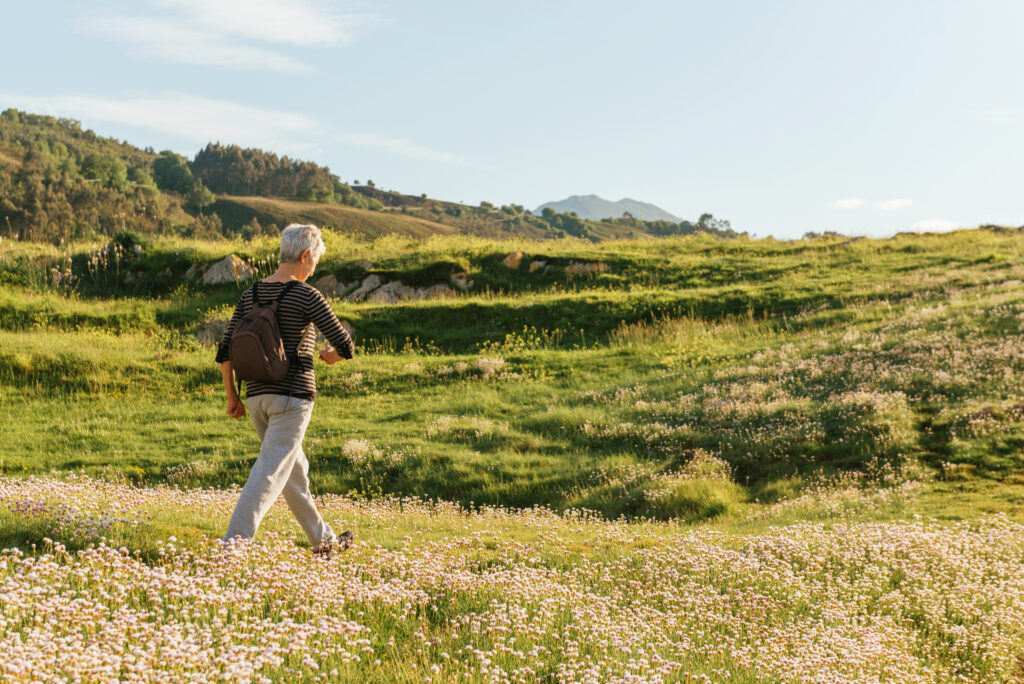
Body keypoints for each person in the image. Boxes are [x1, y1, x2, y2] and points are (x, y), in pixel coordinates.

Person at [216, 223, 355, 556]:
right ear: (305, 256)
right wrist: (332, 356)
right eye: (315, 262)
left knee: (293, 474)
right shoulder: (306, 294)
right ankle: (231, 546)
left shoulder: (250, 294)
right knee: (269, 474)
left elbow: (224, 352)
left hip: (256, 399)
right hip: (292, 399)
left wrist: (233, 397)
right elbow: (345, 343)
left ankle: (325, 543)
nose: (313, 269)